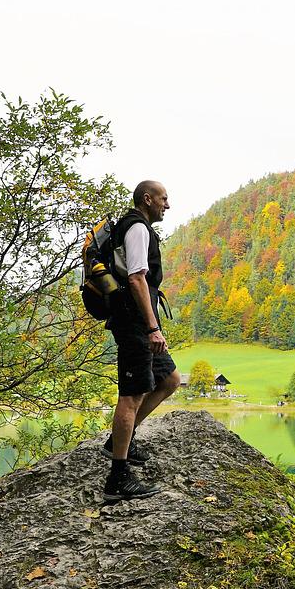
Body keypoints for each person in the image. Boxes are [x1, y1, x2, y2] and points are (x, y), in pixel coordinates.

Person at [101, 180, 181, 501]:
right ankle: (117, 479)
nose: (168, 205)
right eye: (164, 198)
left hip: (141, 321)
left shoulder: (135, 226)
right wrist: (151, 328)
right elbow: (136, 278)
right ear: (147, 199)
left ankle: (120, 440)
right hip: (136, 323)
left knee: (170, 379)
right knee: (131, 397)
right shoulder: (137, 229)